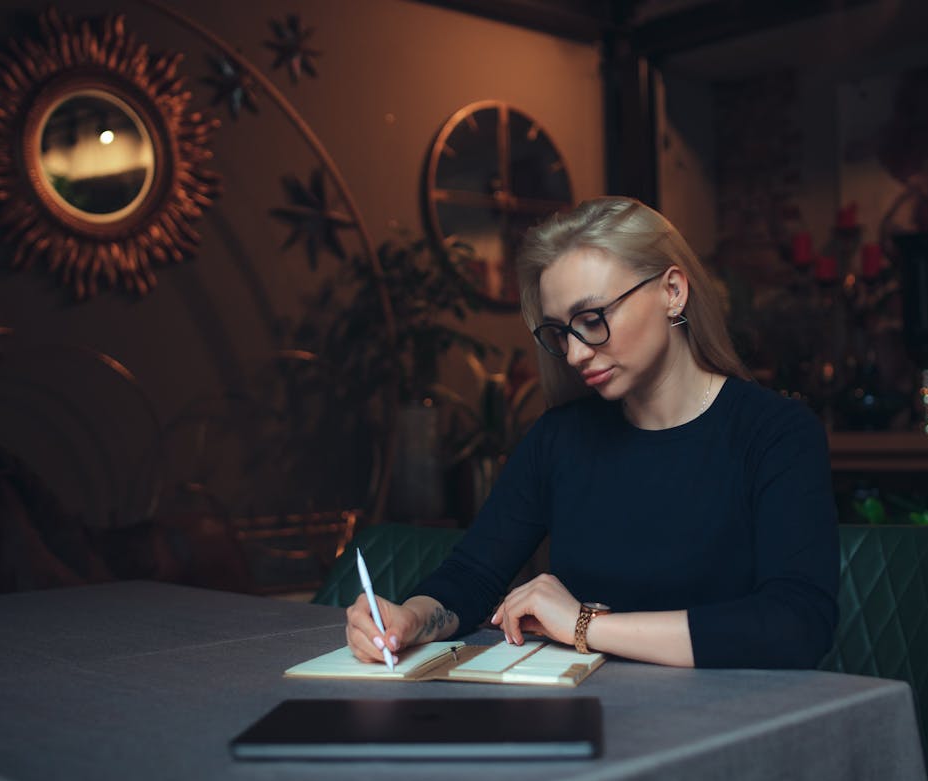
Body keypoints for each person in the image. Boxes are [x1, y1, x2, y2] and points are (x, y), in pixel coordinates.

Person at [346, 197, 839, 669]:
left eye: (592, 319)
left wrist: (583, 625)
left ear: (673, 291)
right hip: (583, 713)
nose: (577, 353)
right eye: (560, 332)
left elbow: (796, 625)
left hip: (730, 724)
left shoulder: (775, 433)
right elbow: (472, 576)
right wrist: (409, 619)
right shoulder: (561, 439)